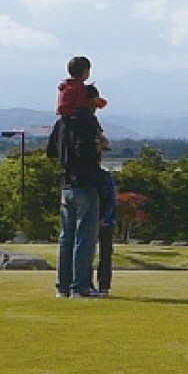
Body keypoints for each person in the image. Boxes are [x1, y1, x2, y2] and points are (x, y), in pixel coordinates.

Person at [52, 94, 107, 299]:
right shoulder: (87, 122)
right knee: (85, 237)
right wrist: (99, 147)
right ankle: (80, 286)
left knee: (66, 237)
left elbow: (51, 150)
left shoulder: (62, 123)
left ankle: (63, 286)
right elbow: (86, 152)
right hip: (85, 184)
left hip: (66, 184)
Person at [95, 137, 118, 297]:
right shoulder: (102, 177)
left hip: (105, 221)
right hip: (100, 220)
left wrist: (103, 218)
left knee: (105, 254)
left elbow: (111, 200)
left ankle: (104, 286)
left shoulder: (105, 177)